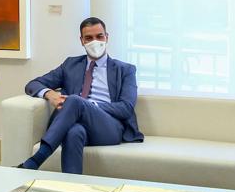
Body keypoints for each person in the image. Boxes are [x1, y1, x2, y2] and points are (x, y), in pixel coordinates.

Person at [18, 17, 144, 173]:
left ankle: (37, 159)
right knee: (73, 132)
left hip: (109, 127)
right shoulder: (70, 65)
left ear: (107, 37)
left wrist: (90, 106)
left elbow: (126, 108)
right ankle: (72, 187)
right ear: (82, 41)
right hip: (77, 123)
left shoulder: (125, 69)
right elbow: (33, 84)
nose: (95, 41)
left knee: (75, 101)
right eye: (89, 38)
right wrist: (50, 94)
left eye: (99, 36)